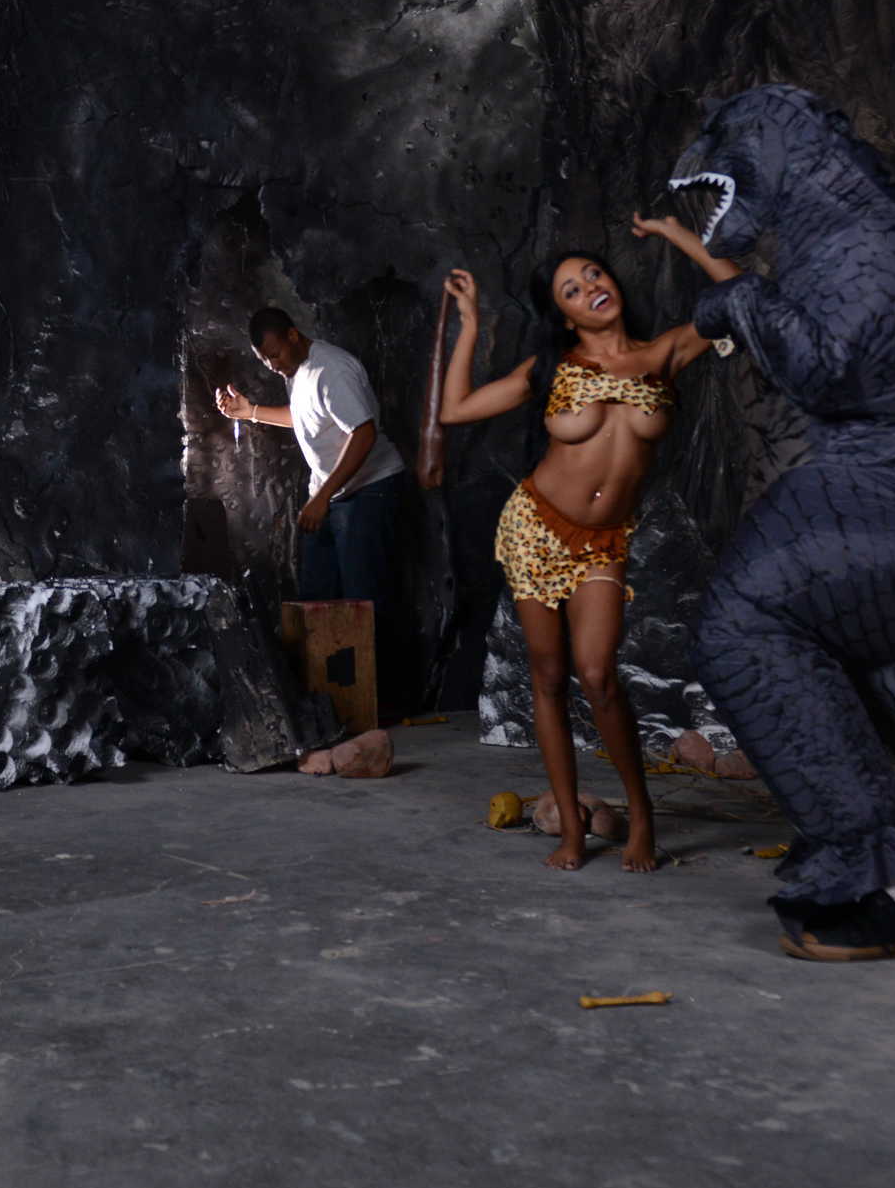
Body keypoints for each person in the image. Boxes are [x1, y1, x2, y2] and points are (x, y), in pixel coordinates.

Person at [437, 218, 737, 871]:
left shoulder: (665, 352)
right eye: (571, 289)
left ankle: (642, 815)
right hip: (534, 527)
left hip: (602, 542)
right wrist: (470, 321)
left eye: (594, 274)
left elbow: (739, 296)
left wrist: (675, 233)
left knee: (599, 675)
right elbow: (455, 409)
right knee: (547, 676)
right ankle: (571, 827)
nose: (590, 288)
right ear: (564, 315)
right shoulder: (551, 366)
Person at [215, 308, 411, 630]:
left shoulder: (332, 370)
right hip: (331, 496)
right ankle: (327, 665)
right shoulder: (296, 369)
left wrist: (322, 496)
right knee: (317, 601)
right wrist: (250, 412)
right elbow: (306, 417)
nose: (272, 366)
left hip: (369, 490)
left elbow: (364, 432)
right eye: (265, 360)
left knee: (364, 603)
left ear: (293, 335)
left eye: (275, 355)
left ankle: (380, 664)